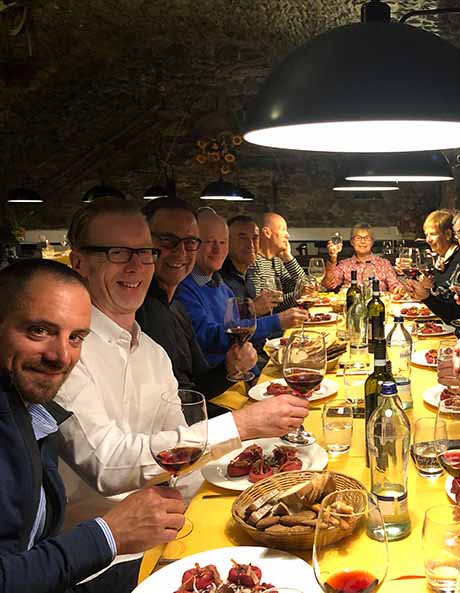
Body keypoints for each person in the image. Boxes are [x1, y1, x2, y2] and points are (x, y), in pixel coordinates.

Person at [54, 200, 311, 584]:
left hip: (171, 534)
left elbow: (182, 461)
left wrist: (267, 476)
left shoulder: (151, 352)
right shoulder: (63, 351)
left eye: (144, 253)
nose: (136, 265)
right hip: (101, 565)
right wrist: (240, 427)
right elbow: (107, 465)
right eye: (117, 253)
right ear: (79, 263)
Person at [0, 259, 185, 593]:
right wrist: (108, 535)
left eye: (76, 337)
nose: (62, 355)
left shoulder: (28, 412)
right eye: (39, 331)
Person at [136, 198, 257, 404]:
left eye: (190, 242)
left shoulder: (175, 306)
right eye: (168, 240)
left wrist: (230, 367)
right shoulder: (140, 312)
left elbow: (197, 387)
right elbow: (175, 408)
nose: (181, 252)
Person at [175, 211, 306, 368]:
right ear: (192, 245)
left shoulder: (220, 284)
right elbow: (210, 338)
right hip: (217, 384)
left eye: (222, 243)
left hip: (241, 373)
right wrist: (276, 321)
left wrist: (255, 380)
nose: (217, 249)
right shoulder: (183, 288)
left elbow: (243, 342)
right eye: (209, 242)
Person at [402, 209, 460, 324]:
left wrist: (427, 296)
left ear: (448, 234)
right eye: (426, 235)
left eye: (433, 234)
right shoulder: (440, 260)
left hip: (455, 328)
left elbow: (454, 309)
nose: (428, 240)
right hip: (441, 321)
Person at [323, 223, 404, 293]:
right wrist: (333, 257)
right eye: (358, 238)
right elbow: (329, 284)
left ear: (372, 242)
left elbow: (395, 286)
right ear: (352, 242)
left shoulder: (384, 263)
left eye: (367, 238)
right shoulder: (344, 264)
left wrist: (398, 290)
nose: (362, 241)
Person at [251, 212, 307, 311]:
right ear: (267, 233)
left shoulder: (277, 261)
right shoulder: (253, 263)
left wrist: (288, 258)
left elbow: (304, 285)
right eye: (283, 230)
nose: (288, 235)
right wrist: (300, 294)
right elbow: (265, 306)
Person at [220, 214, 260, 301]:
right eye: (243, 238)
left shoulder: (249, 272)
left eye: (255, 238)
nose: (251, 245)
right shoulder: (217, 277)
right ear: (227, 241)